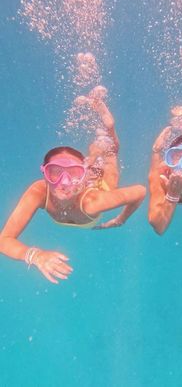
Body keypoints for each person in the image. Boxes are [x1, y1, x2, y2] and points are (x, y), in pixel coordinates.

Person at [0, 86, 146, 283]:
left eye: (73, 174)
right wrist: (35, 256)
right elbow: (4, 240)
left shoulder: (94, 202)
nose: (65, 183)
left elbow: (140, 191)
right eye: (55, 172)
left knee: (110, 155)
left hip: (99, 185)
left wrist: (121, 218)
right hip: (87, 177)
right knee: (102, 153)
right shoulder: (39, 191)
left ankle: (108, 131)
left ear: (82, 175)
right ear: (44, 173)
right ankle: (96, 150)